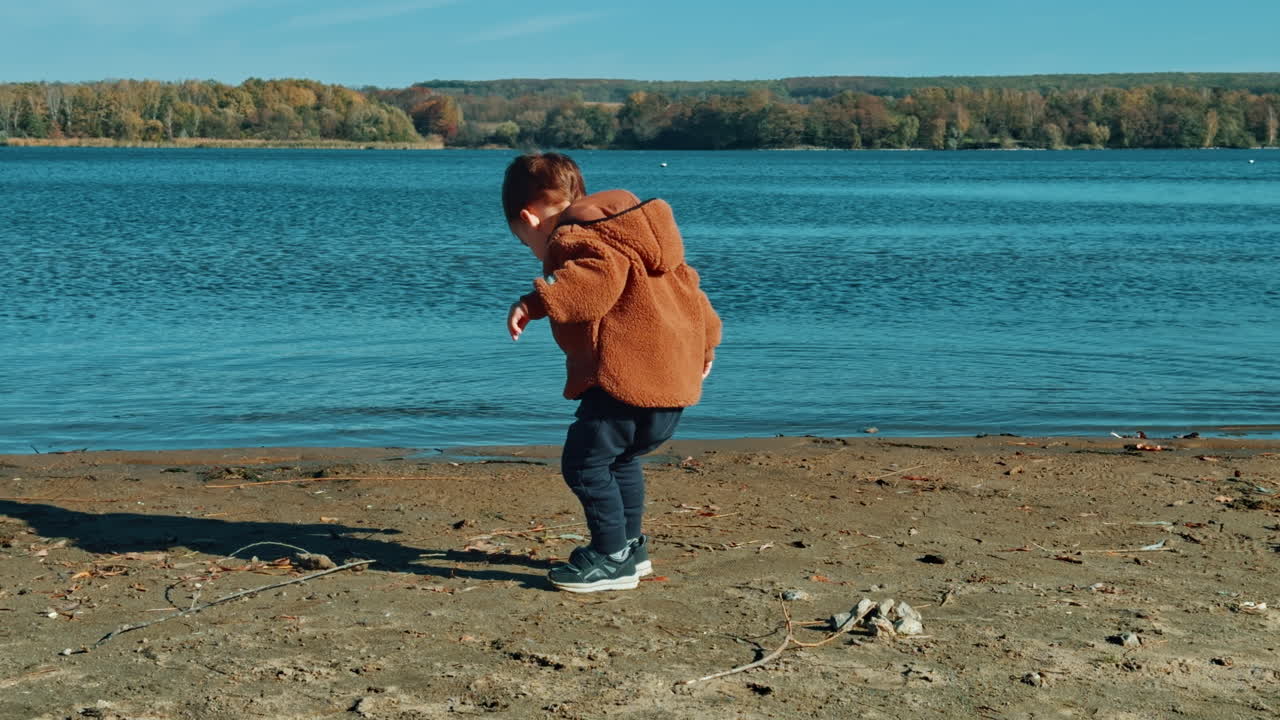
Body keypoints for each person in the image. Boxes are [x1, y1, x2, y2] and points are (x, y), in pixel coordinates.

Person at [502, 152, 721, 593]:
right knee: (619, 460)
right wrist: (706, 344)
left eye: (527, 243)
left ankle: (610, 557)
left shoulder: (576, 238)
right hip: (672, 379)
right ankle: (630, 549)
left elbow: (591, 285)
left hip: (623, 377)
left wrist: (535, 300)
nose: (536, 251)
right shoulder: (645, 239)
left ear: (530, 219)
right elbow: (691, 290)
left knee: (583, 464)